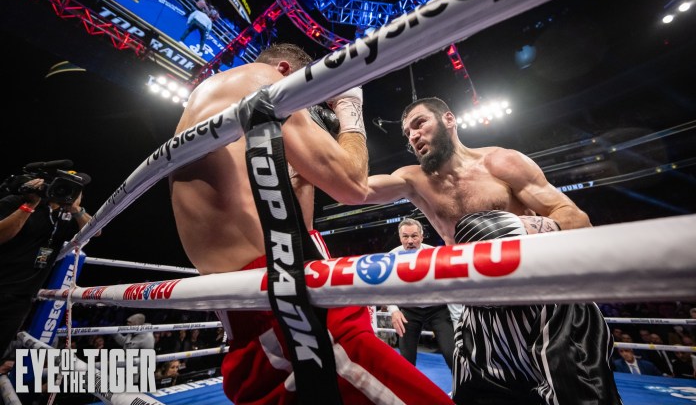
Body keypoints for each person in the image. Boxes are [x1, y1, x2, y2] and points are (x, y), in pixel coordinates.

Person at [169, 44, 453, 404]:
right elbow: (353, 184)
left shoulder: (217, 101)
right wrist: (350, 110)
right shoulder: (262, 80)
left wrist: (303, 170)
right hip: (294, 317)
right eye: (310, 99)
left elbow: (295, 223)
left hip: (266, 299)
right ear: (286, 72)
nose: (307, 113)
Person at [362, 97, 622, 405]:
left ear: (448, 119)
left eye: (419, 124)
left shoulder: (500, 162)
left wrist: (512, 232)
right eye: (407, 133)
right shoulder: (413, 180)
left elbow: (578, 220)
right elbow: (355, 189)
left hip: (545, 306)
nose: (413, 136)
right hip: (481, 318)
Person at [0, 171, 95, 358]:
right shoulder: (16, 200)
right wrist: (29, 204)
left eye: (76, 190)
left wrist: (76, 209)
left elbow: (95, 231)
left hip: (21, 298)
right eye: (63, 185)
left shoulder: (65, 216)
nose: (67, 192)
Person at [386, 218, 456, 370]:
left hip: (437, 309)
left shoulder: (434, 254)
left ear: (422, 236)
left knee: (453, 354)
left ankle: (464, 391)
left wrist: (457, 315)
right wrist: (394, 310)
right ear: (400, 238)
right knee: (406, 360)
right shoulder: (392, 257)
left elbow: (449, 284)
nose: (410, 241)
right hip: (409, 311)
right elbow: (385, 287)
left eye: (414, 236)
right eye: (405, 236)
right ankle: (407, 393)